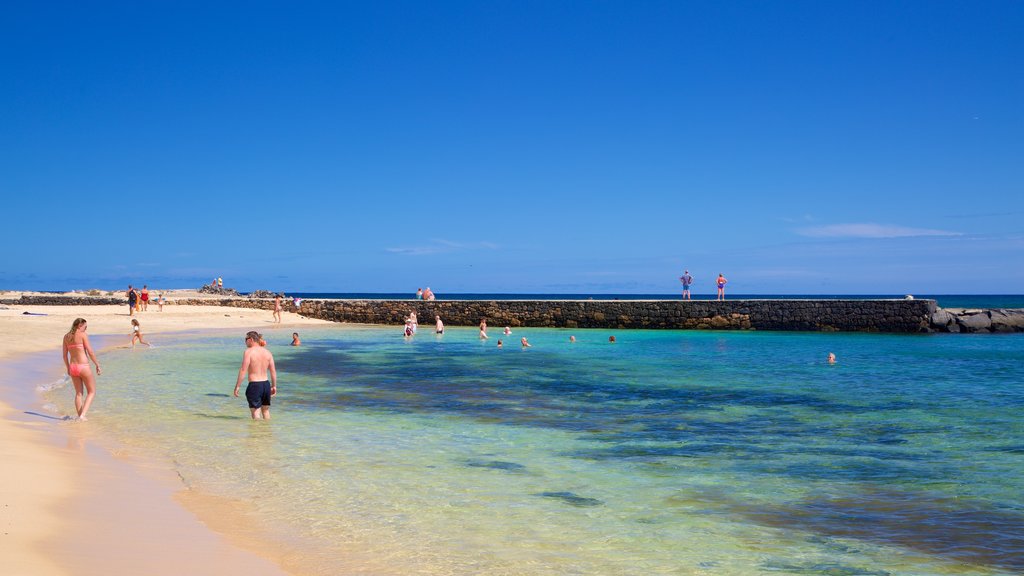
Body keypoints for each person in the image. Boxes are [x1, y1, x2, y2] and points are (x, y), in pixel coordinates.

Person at [62, 318, 101, 421]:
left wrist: (68, 368)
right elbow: (90, 352)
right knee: (91, 392)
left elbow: (65, 356)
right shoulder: (83, 335)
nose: (86, 329)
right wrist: (97, 364)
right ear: (80, 325)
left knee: (79, 393)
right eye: (85, 327)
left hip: (73, 367)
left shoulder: (66, 337)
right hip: (83, 366)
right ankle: (82, 415)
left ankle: (80, 416)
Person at [233, 331, 277, 420]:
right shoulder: (268, 352)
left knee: (256, 412)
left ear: (251, 339)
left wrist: (237, 386)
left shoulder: (248, 352)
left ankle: (256, 434)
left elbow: (243, 370)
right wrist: (274, 386)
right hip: (266, 385)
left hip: (255, 385)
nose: (245, 342)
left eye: (246, 339)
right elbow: (273, 371)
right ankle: (267, 433)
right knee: (265, 411)